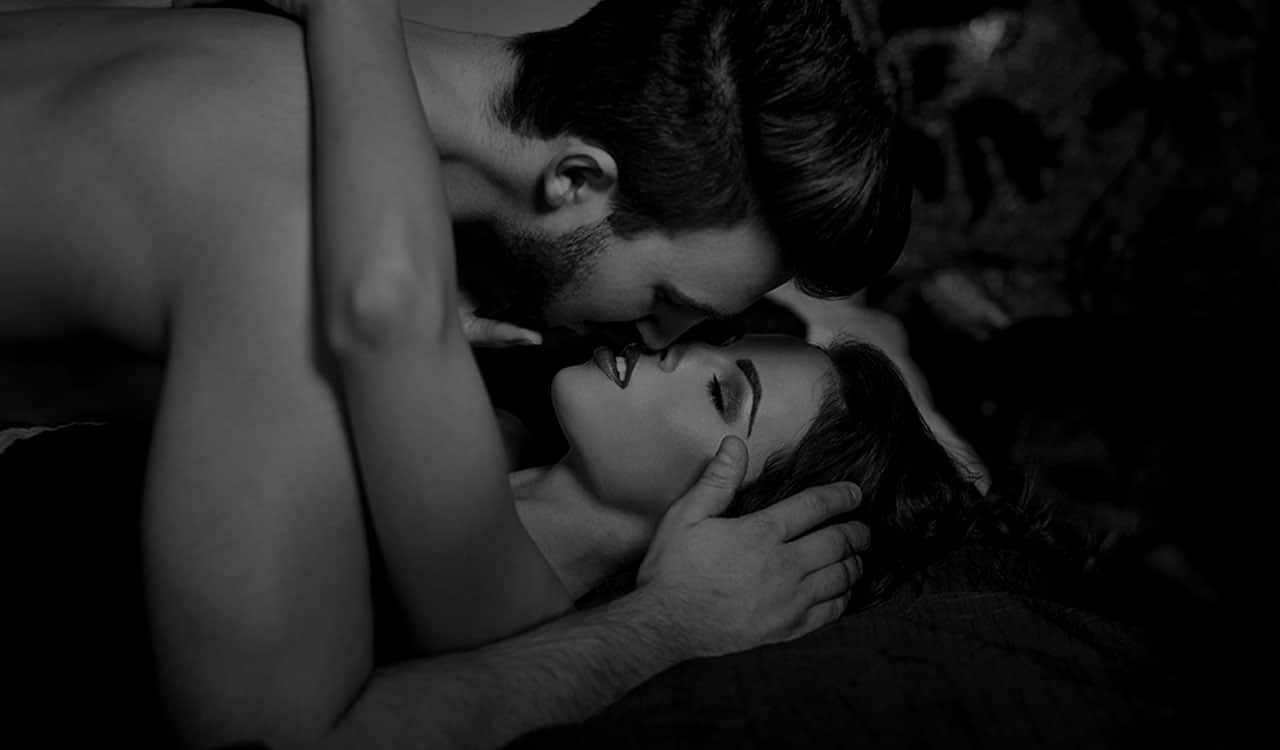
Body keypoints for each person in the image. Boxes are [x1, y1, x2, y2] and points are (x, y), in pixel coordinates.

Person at [0, 1, 909, 748]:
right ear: (576, 179)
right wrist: (668, 626)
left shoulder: (253, 37)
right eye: (670, 299)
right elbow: (386, 302)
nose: (660, 338)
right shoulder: (301, 249)